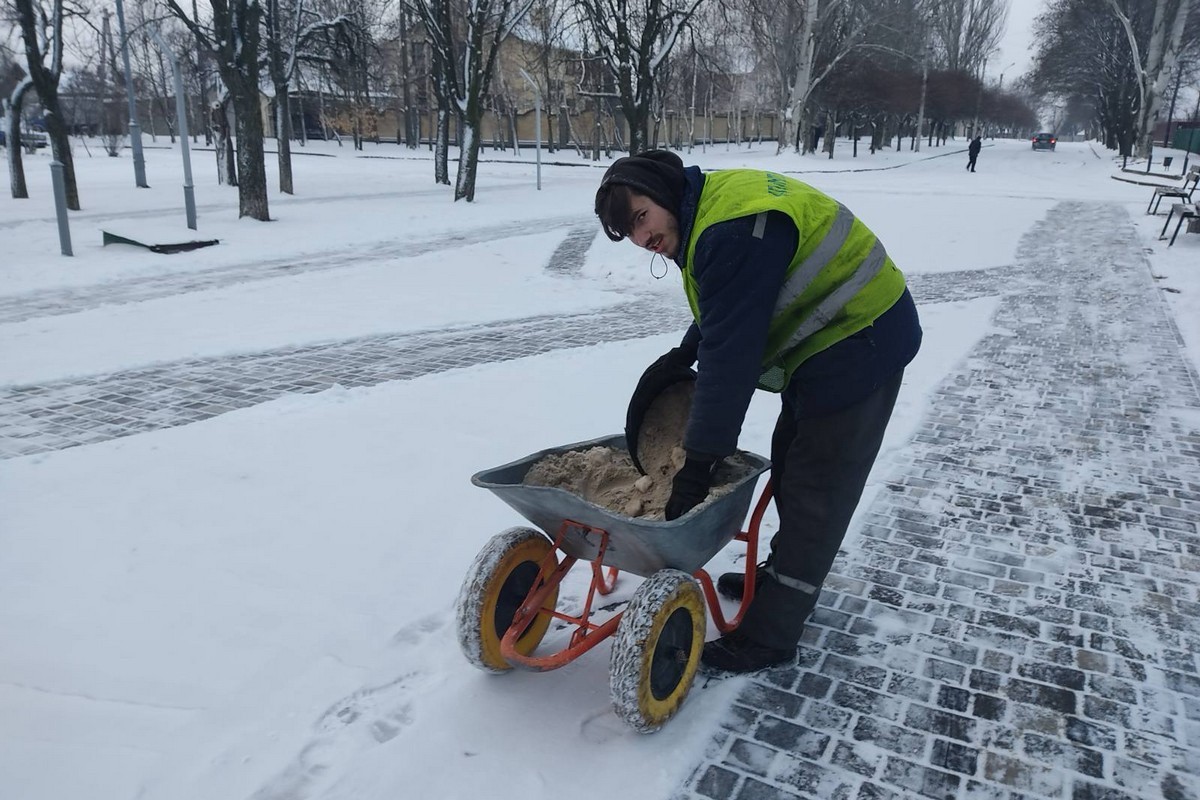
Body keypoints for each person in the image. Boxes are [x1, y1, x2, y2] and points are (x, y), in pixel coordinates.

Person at [594, 150, 922, 673]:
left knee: (817, 489)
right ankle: (778, 577)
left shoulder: (728, 229)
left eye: (640, 218)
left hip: (862, 339)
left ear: (662, 191)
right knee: (790, 462)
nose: (642, 238)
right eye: (628, 232)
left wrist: (698, 466)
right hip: (828, 341)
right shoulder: (708, 211)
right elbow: (733, 309)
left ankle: (772, 634)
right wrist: (685, 353)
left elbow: (733, 361)